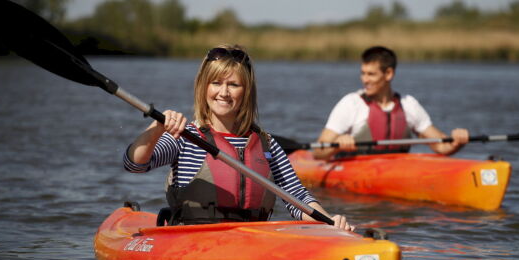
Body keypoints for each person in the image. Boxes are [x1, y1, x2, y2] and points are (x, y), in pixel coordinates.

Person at [124, 44, 352, 230]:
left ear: (246, 92)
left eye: (233, 85)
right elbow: (134, 165)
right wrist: (156, 129)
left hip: (250, 242)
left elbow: (297, 197)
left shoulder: (267, 144)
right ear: (204, 88)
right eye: (216, 83)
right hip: (193, 242)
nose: (223, 92)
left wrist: (331, 223)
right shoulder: (185, 137)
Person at [313, 46, 469, 160]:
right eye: (363, 73)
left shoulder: (409, 105)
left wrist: (457, 142)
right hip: (355, 169)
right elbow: (318, 152)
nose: (364, 79)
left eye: (371, 74)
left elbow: (441, 146)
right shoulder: (351, 103)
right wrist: (337, 145)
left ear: (388, 74)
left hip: (397, 170)